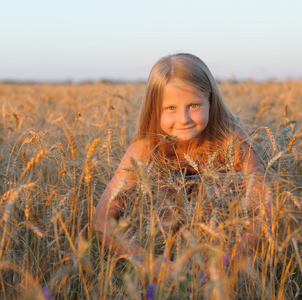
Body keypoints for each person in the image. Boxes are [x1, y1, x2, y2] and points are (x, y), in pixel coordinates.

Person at [95, 53, 271, 270]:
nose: (184, 119)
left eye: (194, 105)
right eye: (170, 108)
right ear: (154, 109)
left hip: (220, 254)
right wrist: (145, 261)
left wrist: (230, 260)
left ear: (210, 101)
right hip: (159, 258)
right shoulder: (146, 148)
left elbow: (267, 207)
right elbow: (103, 216)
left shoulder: (230, 142)